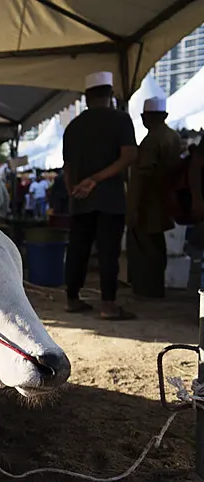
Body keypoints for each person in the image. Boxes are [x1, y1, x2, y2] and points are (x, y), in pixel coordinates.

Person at [62, 71, 137, 320]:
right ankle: (108, 304)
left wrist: (75, 189)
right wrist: (96, 180)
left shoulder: (73, 126)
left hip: (81, 200)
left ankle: (72, 299)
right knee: (109, 252)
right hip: (110, 198)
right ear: (111, 95)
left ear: (86, 98)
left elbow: (68, 167)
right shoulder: (121, 120)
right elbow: (128, 157)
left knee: (77, 250)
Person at [126, 96, 183, 298]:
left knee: (145, 245)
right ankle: (155, 285)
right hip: (164, 198)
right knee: (157, 244)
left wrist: (133, 207)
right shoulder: (173, 137)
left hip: (148, 201)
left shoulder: (152, 141)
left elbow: (142, 175)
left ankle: (147, 288)